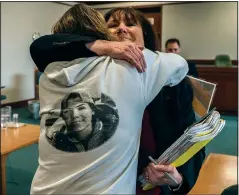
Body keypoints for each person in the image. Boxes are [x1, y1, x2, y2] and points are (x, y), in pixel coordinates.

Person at [30, 4, 188, 195]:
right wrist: (102, 46)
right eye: (113, 25)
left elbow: (41, 45)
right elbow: (180, 63)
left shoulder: (47, 76)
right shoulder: (132, 71)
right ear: (103, 34)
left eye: (130, 24)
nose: (122, 29)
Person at [44, 92, 119, 152]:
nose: (74, 115)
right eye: (67, 111)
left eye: (81, 108)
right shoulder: (60, 140)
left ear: (92, 110)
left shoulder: (109, 134)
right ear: (63, 116)